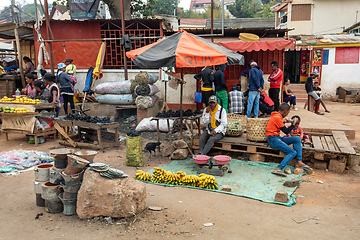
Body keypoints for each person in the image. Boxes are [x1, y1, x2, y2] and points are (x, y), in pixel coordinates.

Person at [266, 103, 312, 176]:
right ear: (285, 111)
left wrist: (286, 121)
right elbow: (286, 131)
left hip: (276, 137)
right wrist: (293, 124)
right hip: (273, 139)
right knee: (292, 152)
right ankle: (279, 168)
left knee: (297, 139)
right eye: (287, 113)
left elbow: (279, 124)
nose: (287, 114)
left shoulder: (277, 116)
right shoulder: (277, 117)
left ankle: (299, 161)